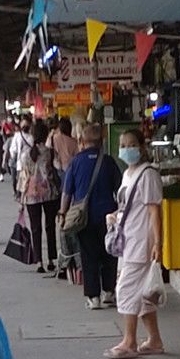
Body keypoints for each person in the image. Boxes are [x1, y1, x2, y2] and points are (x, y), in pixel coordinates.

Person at [104, 125, 166, 359]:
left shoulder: (148, 175)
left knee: (126, 289)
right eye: (123, 145)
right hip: (128, 240)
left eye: (131, 145)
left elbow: (154, 211)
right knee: (142, 292)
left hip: (141, 241)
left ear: (141, 147)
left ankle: (129, 341)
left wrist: (158, 243)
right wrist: (116, 216)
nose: (126, 149)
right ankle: (154, 340)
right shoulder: (128, 174)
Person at [61, 119, 122, 310]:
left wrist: (62, 213)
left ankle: (93, 297)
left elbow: (67, 192)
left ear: (82, 141)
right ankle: (109, 292)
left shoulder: (75, 162)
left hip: (84, 218)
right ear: (101, 142)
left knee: (88, 256)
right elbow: (120, 190)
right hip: (108, 216)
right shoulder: (109, 162)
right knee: (109, 253)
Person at [18, 118, 62, 272]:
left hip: (31, 195)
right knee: (50, 227)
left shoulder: (26, 154)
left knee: (35, 228)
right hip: (49, 192)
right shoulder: (50, 152)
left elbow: (23, 177)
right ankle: (51, 259)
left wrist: (21, 198)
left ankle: (39, 262)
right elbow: (58, 167)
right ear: (45, 135)